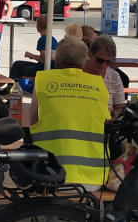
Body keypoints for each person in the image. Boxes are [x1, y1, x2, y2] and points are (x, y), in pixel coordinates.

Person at [28, 37, 109, 187]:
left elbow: (32, 120)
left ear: (56, 59)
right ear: (84, 61)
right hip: (94, 176)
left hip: (51, 173)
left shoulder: (44, 81)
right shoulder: (98, 84)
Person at [82, 35, 125, 118]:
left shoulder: (114, 77)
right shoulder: (79, 72)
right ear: (90, 54)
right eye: (100, 60)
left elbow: (120, 107)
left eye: (109, 62)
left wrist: (115, 114)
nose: (104, 65)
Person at [9, 15, 57, 80]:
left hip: (43, 68)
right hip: (53, 68)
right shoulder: (53, 39)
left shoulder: (43, 39)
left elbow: (44, 59)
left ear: (38, 27)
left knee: (17, 66)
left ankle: (11, 86)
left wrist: (31, 55)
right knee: (19, 64)